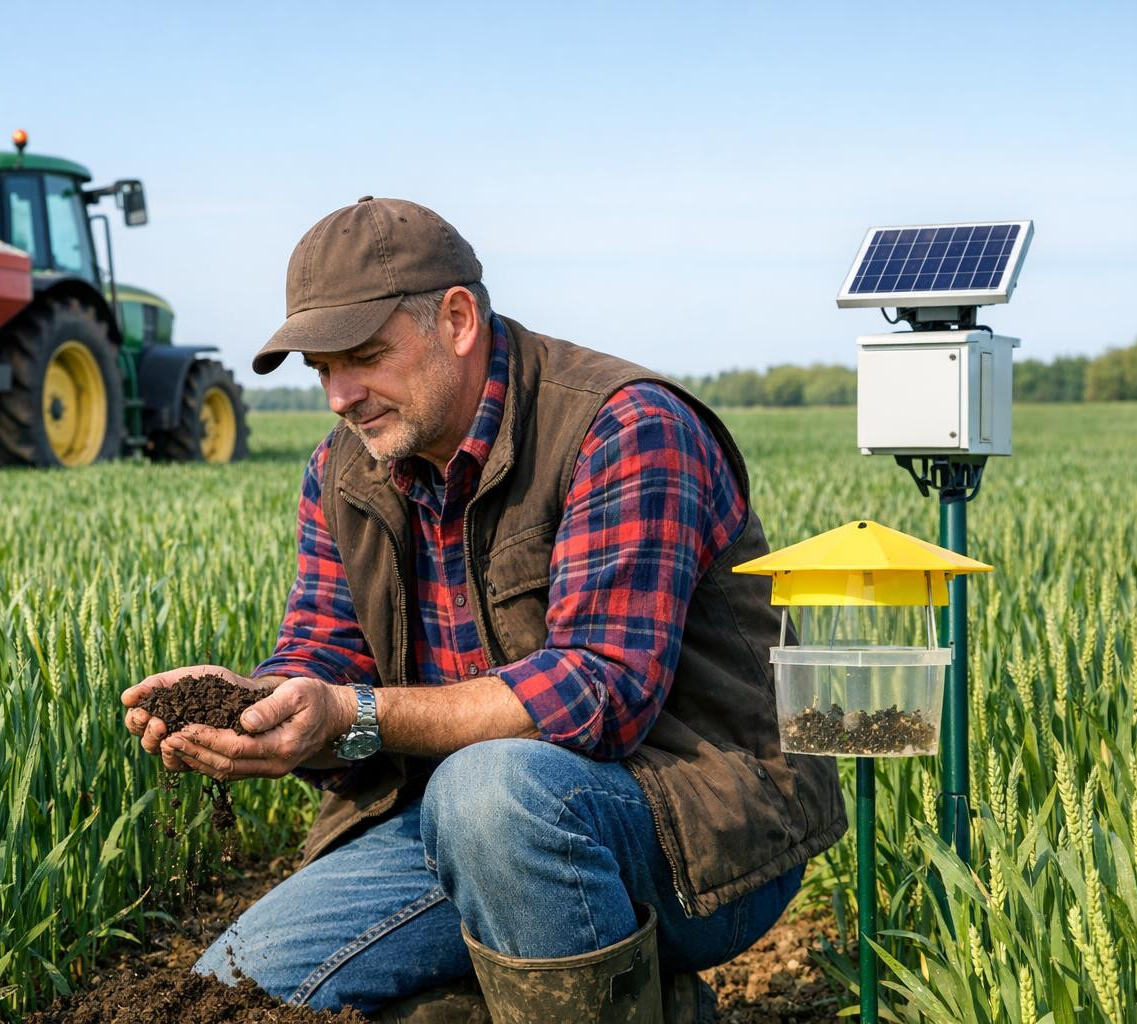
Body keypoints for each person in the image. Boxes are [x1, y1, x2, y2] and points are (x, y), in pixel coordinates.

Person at [121, 197, 846, 1022]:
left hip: (696, 832)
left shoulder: (624, 427)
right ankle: (628, 1004)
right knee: (225, 996)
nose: (339, 396)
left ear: (458, 319)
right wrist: (266, 708)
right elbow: (322, 653)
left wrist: (353, 714)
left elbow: (598, 695)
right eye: (322, 369)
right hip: (450, 829)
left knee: (490, 791)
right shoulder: (342, 474)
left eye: (362, 357)